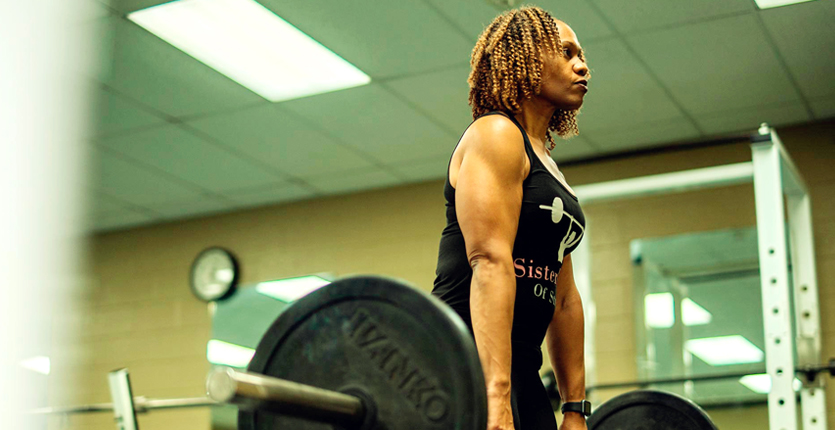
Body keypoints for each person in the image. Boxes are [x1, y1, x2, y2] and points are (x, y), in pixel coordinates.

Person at [431, 6, 590, 430]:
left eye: (583, 55)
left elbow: (565, 300)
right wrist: (494, 399)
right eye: (567, 52)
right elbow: (489, 262)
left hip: (519, 372)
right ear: (528, 57)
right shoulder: (495, 135)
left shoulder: (549, 169)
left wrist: (575, 409)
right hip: (460, 368)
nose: (583, 65)